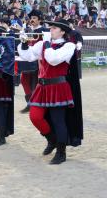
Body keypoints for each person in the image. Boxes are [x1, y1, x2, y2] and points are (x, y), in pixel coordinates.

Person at [18, 19, 83, 164]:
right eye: (50, 28)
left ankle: (61, 152)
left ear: (62, 31)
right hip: (42, 87)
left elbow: (53, 59)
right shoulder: (43, 44)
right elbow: (28, 56)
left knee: (58, 120)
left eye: (54, 28)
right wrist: (23, 43)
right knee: (35, 116)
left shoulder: (69, 46)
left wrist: (47, 43)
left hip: (58, 87)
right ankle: (52, 140)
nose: (50, 30)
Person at [17, 10, 47, 113]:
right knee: (24, 80)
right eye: (31, 18)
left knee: (35, 83)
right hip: (27, 59)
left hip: (38, 60)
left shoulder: (43, 30)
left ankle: (36, 105)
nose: (32, 20)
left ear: (39, 19)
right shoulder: (29, 30)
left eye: (34, 18)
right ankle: (30, 103)